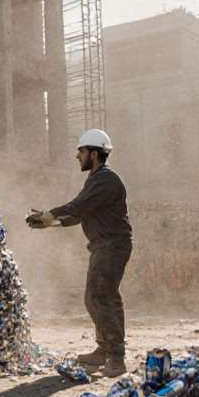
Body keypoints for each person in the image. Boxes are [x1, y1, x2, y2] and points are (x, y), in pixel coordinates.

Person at [28, 129, 133, 376]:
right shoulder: (97, 180)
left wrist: (50, 213)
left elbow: (79, 205)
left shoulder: (105, 179)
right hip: (106, 245)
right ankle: (105, 349)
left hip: (111, 245)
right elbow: (81, 213)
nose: (77, 156)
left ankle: (116, 357)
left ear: (94, 153)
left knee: (98, 297)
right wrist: (51, 222)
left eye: (81, 151)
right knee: (105, 296)